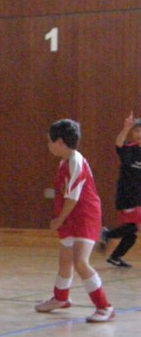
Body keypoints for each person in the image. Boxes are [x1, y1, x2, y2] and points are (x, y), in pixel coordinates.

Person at [35, 119, 115, 323]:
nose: (48, 145)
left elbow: (73, 197)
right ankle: (61, 298)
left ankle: (104, 306)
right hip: (72, 217)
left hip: (85, 217)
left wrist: (59, 220)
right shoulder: (64, 161)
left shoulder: (75, 162)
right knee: (65, 260)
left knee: (80, 262)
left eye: (49, 141)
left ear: (60, 142)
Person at [99, 112, 141, 268]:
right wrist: (125, 128)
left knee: (132, 233)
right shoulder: (129, 148)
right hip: (128, 195)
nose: (139, 134)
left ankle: (115, 257)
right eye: (136, 130)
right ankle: (107, 234)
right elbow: (118, 144)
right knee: (136, 226)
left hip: (139, 196)